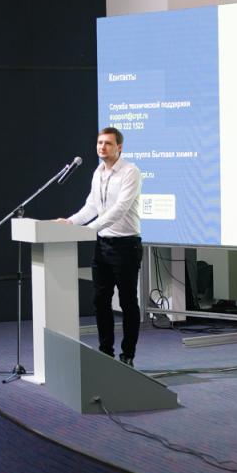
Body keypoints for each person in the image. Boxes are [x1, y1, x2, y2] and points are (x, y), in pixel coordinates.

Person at [57, 127, 143, 367]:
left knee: (127, 302)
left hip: (126, 245)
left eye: (108, 143)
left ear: (119, 147)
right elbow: (92, 206)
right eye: (99, 143)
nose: (102, 147)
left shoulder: (130, 172)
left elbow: (120, 209)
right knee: (100, 300)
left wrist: (89, 229)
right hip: (102, 245)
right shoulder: (98, 172)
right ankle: (106, 352)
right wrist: (71, 222)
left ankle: (128, 355)